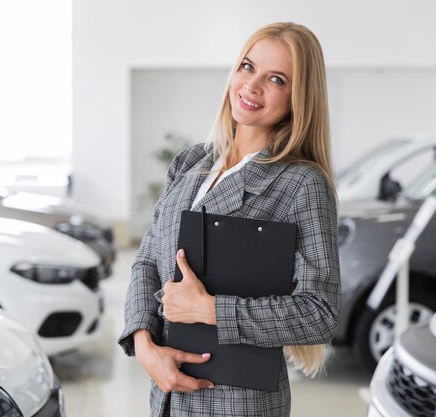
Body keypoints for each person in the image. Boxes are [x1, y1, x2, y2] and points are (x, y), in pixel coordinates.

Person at [118, 21, 341, 417]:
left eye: (276, 79)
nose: (252, 86)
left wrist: (210, 309)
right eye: (247, 67)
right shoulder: (190, 163)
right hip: (167, 395)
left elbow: (320, 312)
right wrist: (143, 344)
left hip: (238, 404)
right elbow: (148, 261)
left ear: (299, 97)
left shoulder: (301, 184)